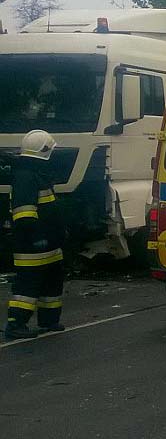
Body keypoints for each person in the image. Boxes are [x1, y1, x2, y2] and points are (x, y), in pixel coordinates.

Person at [5, 130, 66, 339]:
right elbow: (24, 214)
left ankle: (49, 321)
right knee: (27, 286)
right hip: (32, 247)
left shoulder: (37, 175)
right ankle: (16, 324)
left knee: (52, 282)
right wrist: (36, 237)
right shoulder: (25, 178)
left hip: (49, 245)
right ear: (45, 152)